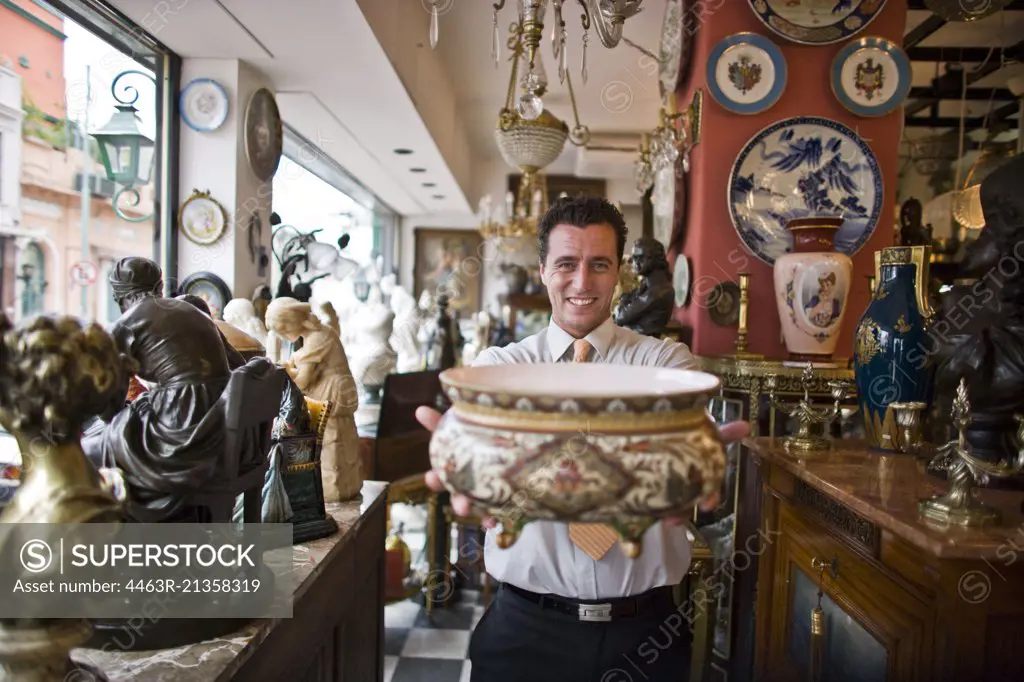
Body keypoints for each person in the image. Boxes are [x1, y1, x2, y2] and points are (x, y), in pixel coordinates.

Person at [416, 196, 751, 682]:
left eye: (599, 265)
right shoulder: (499, 370)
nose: (581, 282)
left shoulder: (667, 366)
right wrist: (464, 467)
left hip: (647, 634)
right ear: (542, 269)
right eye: (566, 264)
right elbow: (478, 459)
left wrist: (694, 466)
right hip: (524, 631)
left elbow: (682, 459)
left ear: (619, 273)